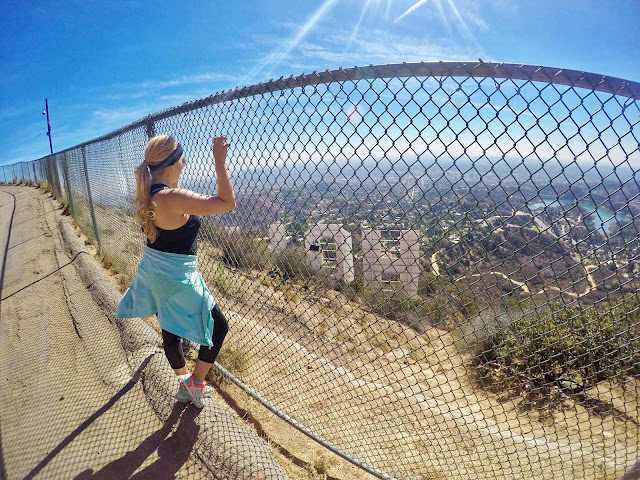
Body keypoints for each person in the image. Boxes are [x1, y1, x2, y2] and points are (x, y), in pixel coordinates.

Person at [117, 134, 235, 408]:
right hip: (178, 276)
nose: (185, 161)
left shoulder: (146, 193)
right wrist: (219, 161)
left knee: (170, 331)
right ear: (173, 163)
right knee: (219, 327)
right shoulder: (174, 198)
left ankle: (186, 385)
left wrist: (173, 178)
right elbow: (227, 203)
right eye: (182, 157)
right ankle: (195, 385)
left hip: (154, 272)